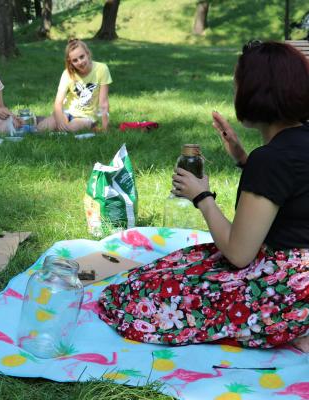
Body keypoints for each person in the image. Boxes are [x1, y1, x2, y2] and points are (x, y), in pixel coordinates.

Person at [98, 40, 309, 351]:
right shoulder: (294, 145)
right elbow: (295, 191)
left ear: (257, 93)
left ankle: (293, 328)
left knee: (135, 298)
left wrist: (202, 197)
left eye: (238, 85)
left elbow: (239, 253)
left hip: (288, 288)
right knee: (172, 266)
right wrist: (243, 159)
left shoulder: (271, 160)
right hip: (300, 274)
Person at [36, 39, 111, 133]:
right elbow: (58, 102)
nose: (80, 62)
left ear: (87, 54)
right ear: (70, 62)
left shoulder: (102, 69)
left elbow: (103, 103)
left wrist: (105, 127)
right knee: (41, 129)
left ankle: (40, 120)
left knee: (70, 128)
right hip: (67, 111)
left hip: (87, 116)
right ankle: (39, 120)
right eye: (75, 60)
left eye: (82, 57)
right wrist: (59, 120)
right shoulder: (67, 73)